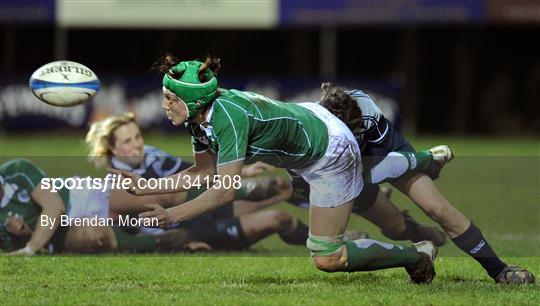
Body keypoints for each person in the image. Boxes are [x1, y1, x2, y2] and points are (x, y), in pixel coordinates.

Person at [116, 55, 449, 284]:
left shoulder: (227, 118)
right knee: (383, 218)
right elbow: (202, 173)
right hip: (308, 150)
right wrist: (147, 188)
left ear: (194, 100)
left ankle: (417, 254)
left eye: (170, 98)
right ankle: (419, 225)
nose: (164, 106)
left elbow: (224, 191)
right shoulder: (199, 119)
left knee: (327, 256)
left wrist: (173, 216)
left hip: (328, 152)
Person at [313, 83, 535, 284]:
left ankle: (499, 270)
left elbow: (387, 164)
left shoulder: (365, 109)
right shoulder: (314, 130)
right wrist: (426, 158)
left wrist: (416, 161)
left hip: (387, 155)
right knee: (396, 227)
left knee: (438, 209)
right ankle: (420, 235)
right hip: (343, 173)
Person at [86, 112, 310, 251]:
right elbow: (131, 230)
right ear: (112, 149)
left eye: (137, 137)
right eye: (127, 141)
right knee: (279, 218)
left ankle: (330, 223)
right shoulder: (116, 188)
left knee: (279, 187)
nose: (136, 145)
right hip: (193, 230)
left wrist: (243, 172)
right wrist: (177, 243)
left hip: (206, 208)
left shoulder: (151, 154)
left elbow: (197, 172)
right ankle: (319, 244)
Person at [0, 158, 195, 255]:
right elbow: (14, 249)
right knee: (94, 237)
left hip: (82, 196)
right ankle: (166, 242)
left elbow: (54, 206)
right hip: (62, 232)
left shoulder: (16, 170)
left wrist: (31, 247)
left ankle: (218, 197)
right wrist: (26, 235)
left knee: (160, 196)